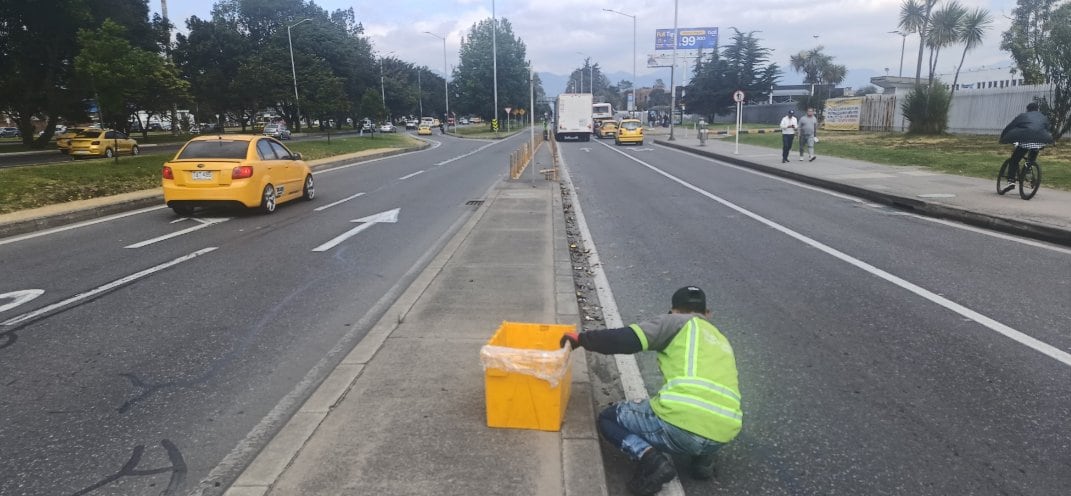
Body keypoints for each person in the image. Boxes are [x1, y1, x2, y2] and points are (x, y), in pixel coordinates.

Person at [561, 286, 742, 495]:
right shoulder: (721, 339)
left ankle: (650, 459)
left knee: (608, 419)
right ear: (707, 313)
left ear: (674, 311)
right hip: (725, 432)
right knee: (708, 414)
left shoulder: (677, 322)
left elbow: (626, 339)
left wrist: (581, 339)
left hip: (680, 426)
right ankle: (703, 464)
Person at [999, 102, 1054, 182]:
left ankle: (1011, 180)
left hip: (1026, 141)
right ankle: (1028, 169)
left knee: (1014, 160)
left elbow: (1010, 127)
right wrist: (1051, 141)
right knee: (1031, 160)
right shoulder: (1043, 117)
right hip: (1040, 142)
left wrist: (1003, 137)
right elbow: (1048, 130)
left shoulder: (1023, 116)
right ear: (1037, 109)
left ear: (1027, 109)